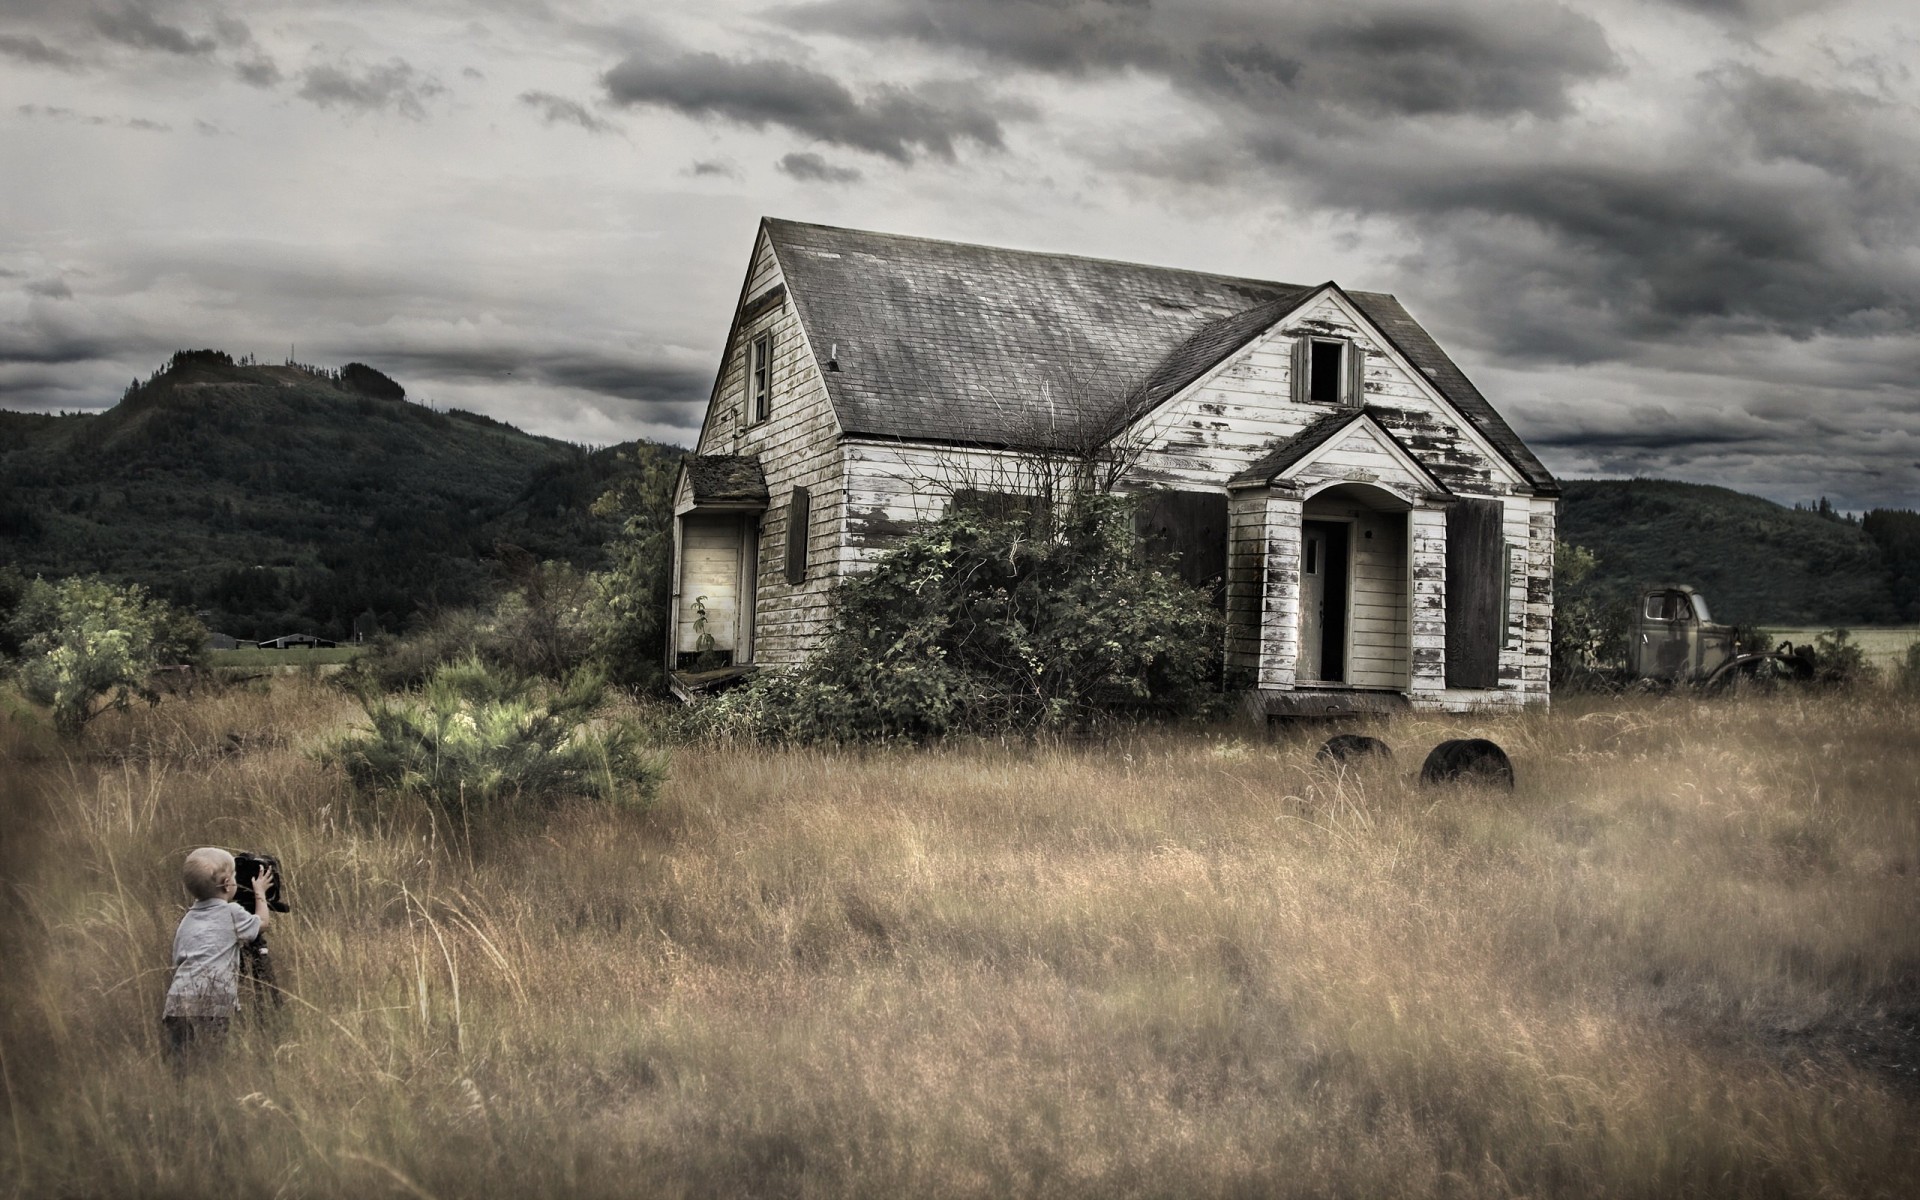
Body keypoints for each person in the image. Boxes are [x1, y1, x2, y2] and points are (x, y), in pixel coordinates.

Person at [161, 847, 275, 1059]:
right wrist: (259, 892)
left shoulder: (186, 919)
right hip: (213, 1004)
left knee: (181, 1061)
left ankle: (181, 1087)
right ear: (226, 884)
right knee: (213, 1056)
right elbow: (262, 923)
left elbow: (177, 958)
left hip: (177, 1002)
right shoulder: (231, 912)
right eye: (234, 877)